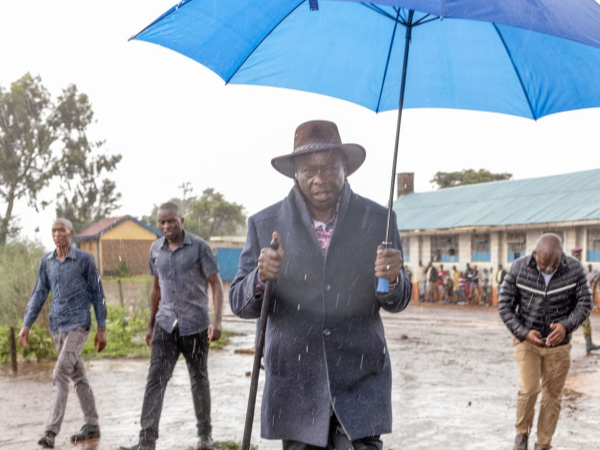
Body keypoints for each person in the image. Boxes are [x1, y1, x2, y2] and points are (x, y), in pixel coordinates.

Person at [229, 120, 412, 449]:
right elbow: (240, 304)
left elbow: (396, 301)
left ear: (346, 169)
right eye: (309, 170)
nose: (320, 179)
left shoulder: (379, 221)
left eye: (330, 168)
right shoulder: (265, 225)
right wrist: (260, 278)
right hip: (296, 386)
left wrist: (395, 278)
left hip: (360, 380)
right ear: (295, 174)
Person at [120, 202, 225, 450]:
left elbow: (216, 284)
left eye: (171, 221)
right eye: (162, 222)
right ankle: (146, 441)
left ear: (182, 220)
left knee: (198, 378)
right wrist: (150, 324)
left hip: (196, 326)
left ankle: (204, 436)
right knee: (155, 379)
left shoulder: (199, 247)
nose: (167, 226)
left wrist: (217, 321)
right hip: (165, 325)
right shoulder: (155, 249)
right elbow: (156, 289)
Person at [18, 219, 107, 449]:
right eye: (54, 231)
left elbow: (98, 293)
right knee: (78, 376)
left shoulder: (84, 260)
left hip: (79, 325)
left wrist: (102, 327)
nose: (57, 234)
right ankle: (92, 424)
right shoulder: (47, 261)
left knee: (60, 373)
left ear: (71, 233)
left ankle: (50, 431)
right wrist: (26, 324)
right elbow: (39, 293)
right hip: (57, 326)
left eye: (61, 230)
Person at [499, 234, 591, 450]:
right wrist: (523, 332)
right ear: (534, 255)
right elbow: (504, 305)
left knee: (552, 398)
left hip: (558, 348)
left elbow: (585, 302)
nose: (549, 269)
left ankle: (543, 444)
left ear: (563, 257)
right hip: (527, 343)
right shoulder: (519, 268)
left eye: (555, 264)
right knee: (529, 390)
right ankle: (522, 435)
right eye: (543, 264)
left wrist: (566, 325)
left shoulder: (574, 270)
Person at [571, 247, 600, 353]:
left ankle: (589, 343)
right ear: (573, 255)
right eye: (577, 254)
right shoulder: (571, 266)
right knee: (569, 322)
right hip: (573, 299)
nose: (579, 256)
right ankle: (561, 345)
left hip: (580, 298)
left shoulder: (580, 266)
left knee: (585, 321)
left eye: (579, 254)